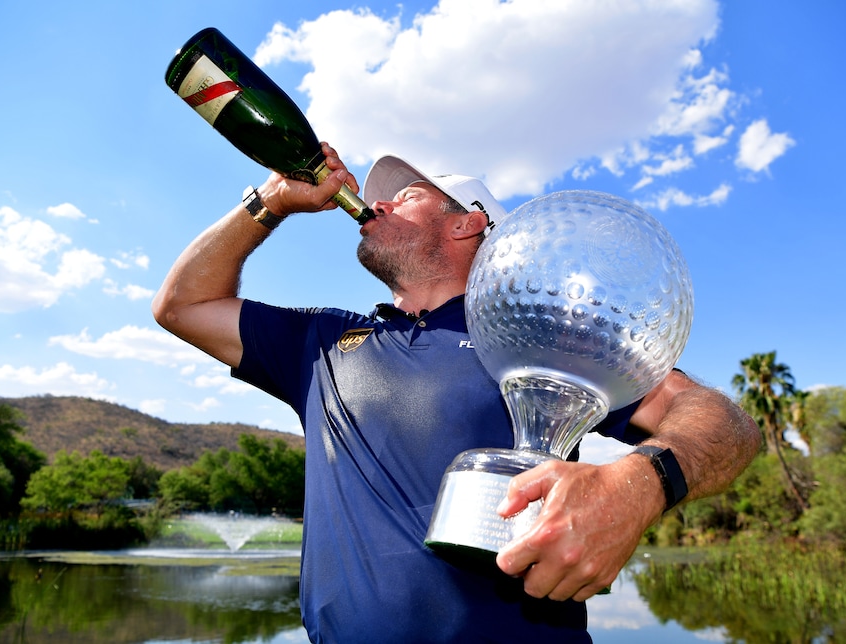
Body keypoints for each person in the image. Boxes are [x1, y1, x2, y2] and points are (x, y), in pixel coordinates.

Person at [152, 143, 760, 642]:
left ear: (469, 222)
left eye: (410, 195)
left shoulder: (536, 335)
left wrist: (637, 487)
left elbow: (725, 425)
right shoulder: (319, 341)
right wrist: (272, 201)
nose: (380, 201)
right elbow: (183, 306)